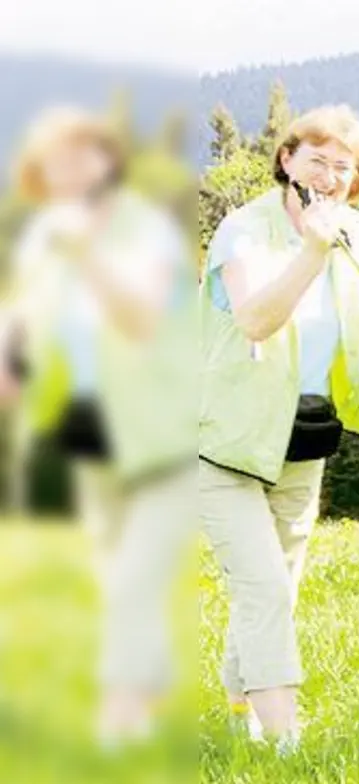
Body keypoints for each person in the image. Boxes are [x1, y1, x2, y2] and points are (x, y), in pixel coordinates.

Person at [199, 105, 359, 746]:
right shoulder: (245, 230)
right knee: (263, 588)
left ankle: (240, 719)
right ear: (287, 160)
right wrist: (314, 252)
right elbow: (256, 320)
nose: (330, 175)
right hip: (225, 441)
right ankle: (286, 742)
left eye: (344, 166)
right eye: (317, 160)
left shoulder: (356, 233)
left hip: (302, 436)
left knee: (277, 588)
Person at [0, 106, 193, 745]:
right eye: (56, 162)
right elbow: (23, 314)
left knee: (136, 572)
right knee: (115, 572)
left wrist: (87, 253)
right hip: (88, 420)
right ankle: (146, 691)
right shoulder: (45, 234)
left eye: (82, 156)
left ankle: (122, 719)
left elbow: (142, 317)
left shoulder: (146, 228)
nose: (69, 171)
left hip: (160, 424)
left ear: (108, 162)